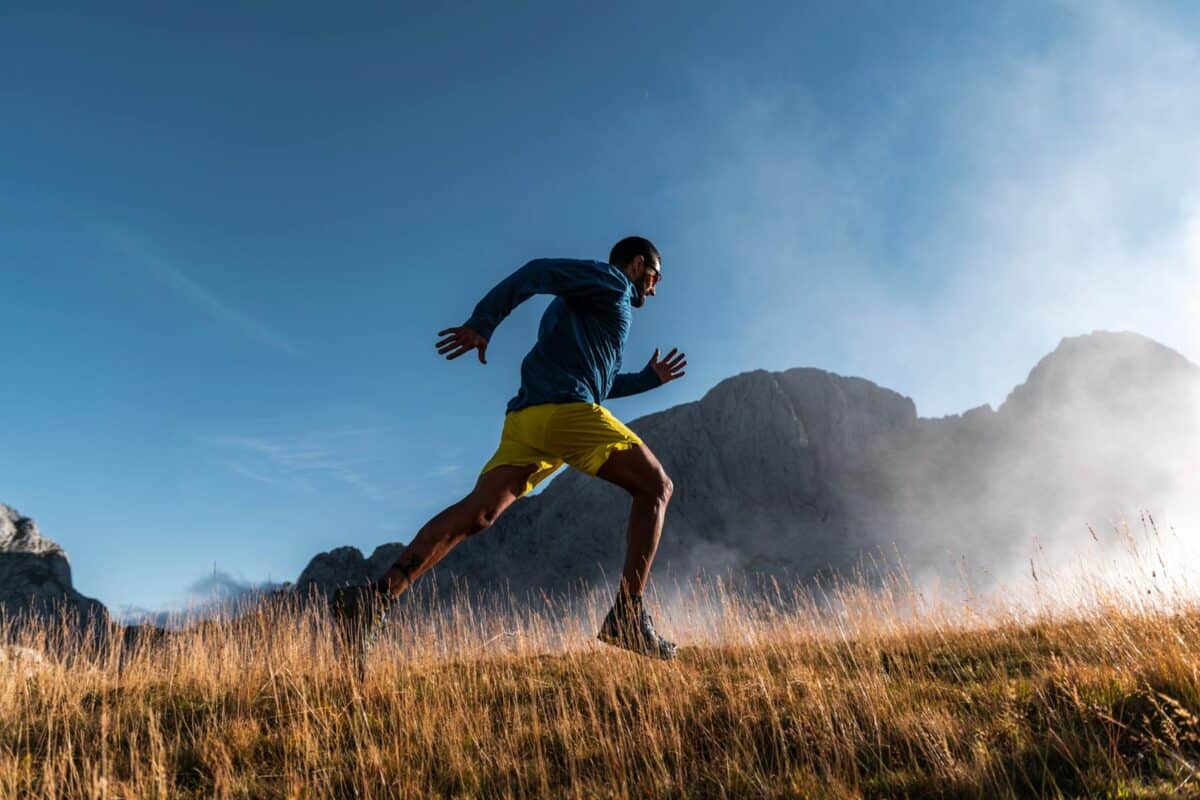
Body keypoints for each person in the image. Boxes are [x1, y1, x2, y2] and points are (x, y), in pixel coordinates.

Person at [334, 236, 686, 659]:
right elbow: (538, 270)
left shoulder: (593, 309)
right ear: (637, 264)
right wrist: (484, 321)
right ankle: (628, 616)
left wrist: (650, 380)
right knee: (656, 487)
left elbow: (602, 383)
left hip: (528, 420)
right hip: (564, 411)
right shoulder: (609, 280)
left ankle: (374, 599)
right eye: (655, 277)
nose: (655, 287)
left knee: (479, 513)